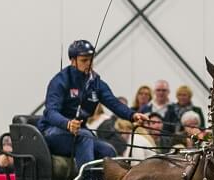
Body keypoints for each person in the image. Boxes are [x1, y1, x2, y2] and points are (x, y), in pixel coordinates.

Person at [39, 39, 146, 167]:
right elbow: (51, 112)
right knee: (84, 136)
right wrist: (67, 124)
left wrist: (132, 115)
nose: (89, 64)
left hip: (78, 133)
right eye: (84, 60)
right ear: (73, 61)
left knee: (108, 150)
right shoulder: (60, 81)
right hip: (52, 132)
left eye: (91, 59)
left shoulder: (95, 83)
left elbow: (114, 103)